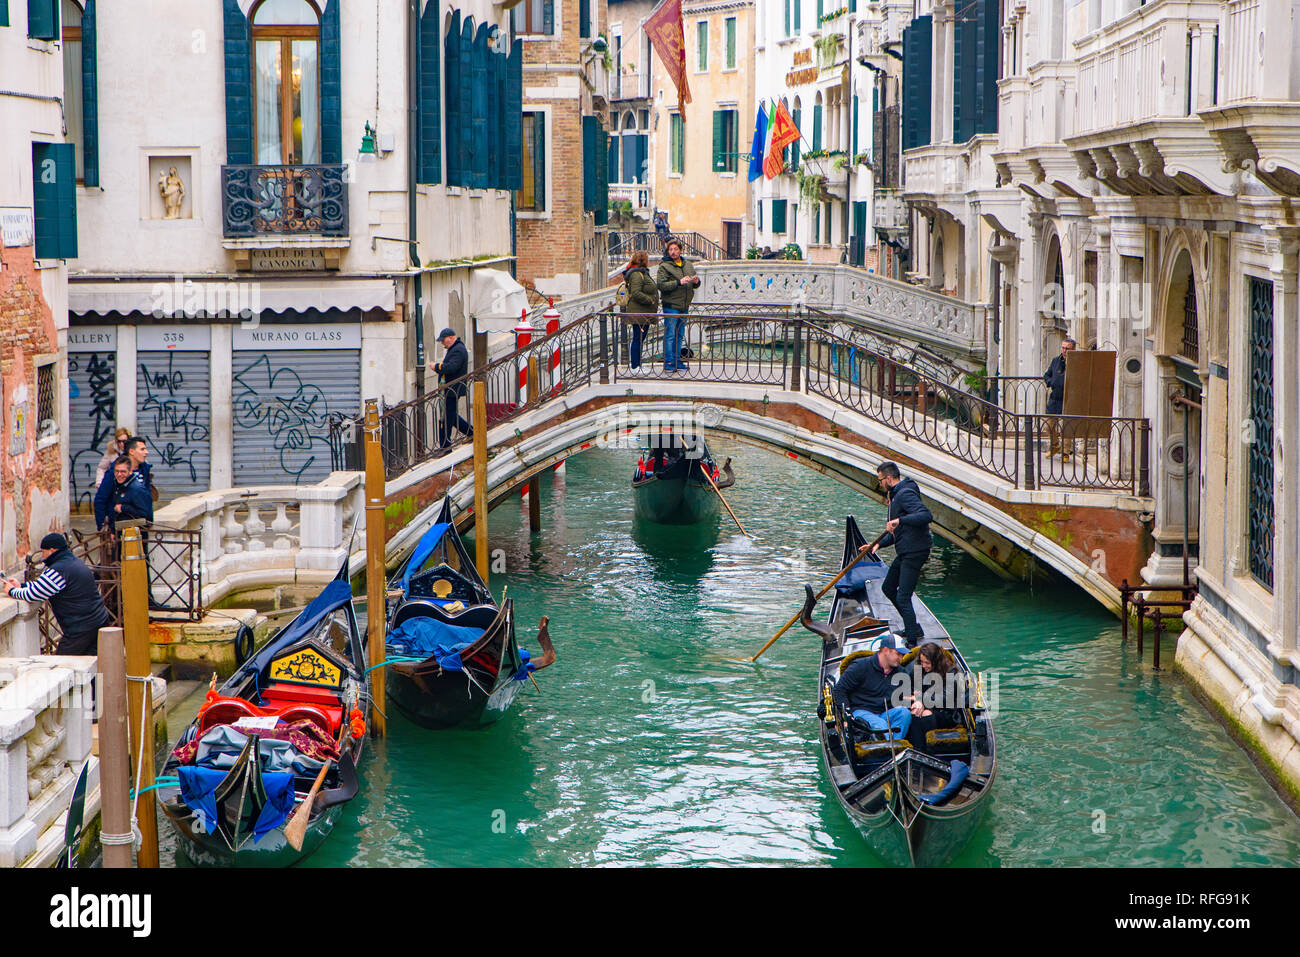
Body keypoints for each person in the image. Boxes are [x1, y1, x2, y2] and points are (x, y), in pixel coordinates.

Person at [4, 533, 112, 655]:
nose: (42, 556)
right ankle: (100, 675)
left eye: (43, 552)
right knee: (93, 664)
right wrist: (21, 586)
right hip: (97, 621)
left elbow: (34, 594)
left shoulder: (59, 569)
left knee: (63, 664)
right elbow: (45, 586)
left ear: (52, 550)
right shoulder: (73, 561)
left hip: (81, 628)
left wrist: (12, 591)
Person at [868, 461, 933, 647]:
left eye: (880, 479)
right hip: (906, 549)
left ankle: (912, 641)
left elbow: (926, 515)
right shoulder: (896, 496)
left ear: (888, 478)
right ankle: (913, 627)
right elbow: (898, 533)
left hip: (915, 552)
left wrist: (900, 520)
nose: (879, 483)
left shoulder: (904, 494)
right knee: (888, 588)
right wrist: (877, 544)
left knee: (903, 596)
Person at [831, 633, 912, 740]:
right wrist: (845, 715)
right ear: (886, 650)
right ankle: (888, 750)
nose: (901, 658)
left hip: (885, 712)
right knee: (880, 725)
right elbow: (839, 690)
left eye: (902, 655)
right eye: (898, 654)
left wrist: (916, 702)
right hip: (861, 712)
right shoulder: (860, 667)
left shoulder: (901, 673)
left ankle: (895, 747)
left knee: (904, 713)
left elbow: (905, 697)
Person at [903, 642, 967, 754]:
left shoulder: (952, 672)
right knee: (915, 711)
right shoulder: (919, 669)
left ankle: (929, 751)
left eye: (927, 663)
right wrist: (918, 701)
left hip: (947, 711)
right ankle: (917, 750)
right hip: (928, 705)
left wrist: (920, 698)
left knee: (926, 713)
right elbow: (910, 690)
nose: (923, 665)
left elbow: (945, 699)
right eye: (922, 662)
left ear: (936, 661)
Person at [656, 239, 700, 373]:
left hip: (684, 305)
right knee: (670, 334)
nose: (673, 252)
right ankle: (668, 362)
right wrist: (679, 282)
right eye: (670, 250)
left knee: (680, 334)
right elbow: (661, 285)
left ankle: (677, 360)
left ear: (681, 250)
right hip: (671, 305)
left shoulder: (688, 265)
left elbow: (694, 284)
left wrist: (696, 282)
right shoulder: (664, 266)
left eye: (675, 249)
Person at [429, 328, 472, 451]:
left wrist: (436, 366)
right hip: (451, 389)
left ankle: (445, 446)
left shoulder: (457, 350)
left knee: (447, 418)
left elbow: (451, 367)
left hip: (452, 389)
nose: (442, 343)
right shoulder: (456, 349)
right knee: (450, 416)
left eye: (443, 340)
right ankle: (470, 432)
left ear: (450, 338)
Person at [621, 250, 659, 370]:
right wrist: (650, 300)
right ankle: (635, 366)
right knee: (638, 338)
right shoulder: (637, 274)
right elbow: (636, 293)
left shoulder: (640, 273)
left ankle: (637, 365)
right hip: (639, 312)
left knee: (639, 338)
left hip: (643, 312)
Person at [1043, 337, 1076, 458]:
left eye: (1067, 348)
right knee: (1048, 426)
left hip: (1069, 398)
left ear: (1073, 349)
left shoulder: (1077, 362)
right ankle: (1055, 445)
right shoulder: (1056, 361)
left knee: (1067, 427)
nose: (1064, 350)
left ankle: (1065, 452)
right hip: (1055, 397)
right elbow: (1047, 375)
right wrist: (1051, 382)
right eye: (1063, 347)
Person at [103, 456, 154, 534]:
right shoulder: (119, 485)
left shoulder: (136, 489)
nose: (119, 474)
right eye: (116, 471)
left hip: (135, 537)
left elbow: (146, 516)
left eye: (123, 471)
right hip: (122, 534)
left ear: (130, 471)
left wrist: (124, 508)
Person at [125, 435, 157, 501]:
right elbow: (102, 498)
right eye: (142, 449)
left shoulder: (144, 469)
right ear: (131, 451)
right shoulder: (117, 471)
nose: (146, 452)